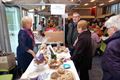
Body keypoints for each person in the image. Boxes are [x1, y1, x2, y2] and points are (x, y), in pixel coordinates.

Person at [101, 14, 120, 80]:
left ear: (114, 28)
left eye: (108, 28)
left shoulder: (113, 44)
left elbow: (114, 68)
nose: (107, 30)